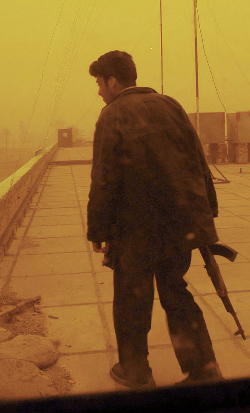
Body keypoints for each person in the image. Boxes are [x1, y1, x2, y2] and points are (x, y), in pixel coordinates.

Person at [87, 50, 223, 389]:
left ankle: (136, 371)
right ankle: (204, 370)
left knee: (133, 299)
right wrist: (206, 211)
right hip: (180, 225)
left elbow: (104, 178)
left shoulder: (112, 115)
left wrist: (98, 229)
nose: (99, 91)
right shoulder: (171, 105)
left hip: (136, 229)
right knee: (176, 292)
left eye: (100, 83)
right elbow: (197, 159)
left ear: (114, 81)